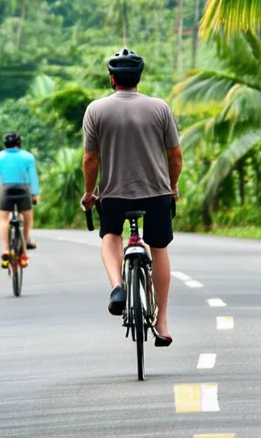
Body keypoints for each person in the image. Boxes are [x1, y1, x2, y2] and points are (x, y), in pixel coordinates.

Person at [80, 48, 183, 347]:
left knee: (111, 235)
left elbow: (90, 160)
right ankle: (162, 322)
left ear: (112, 79)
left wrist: (90, 193)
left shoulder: (96, 110)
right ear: (138, 78)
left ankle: (117, 285)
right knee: (159, 248)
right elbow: (175, 156)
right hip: (157, 194)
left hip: (114, 195)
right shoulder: (160, 108)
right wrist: (172, 185)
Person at [0, 131, 41, 268]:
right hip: (23, 190)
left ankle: (5, 249)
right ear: (19, 144)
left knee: (4, 218)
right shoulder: (28, 157)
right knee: (27, 215)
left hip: (6, 190)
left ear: (5, 144)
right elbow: (33, 177)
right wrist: (35, 193)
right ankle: (26, 239)